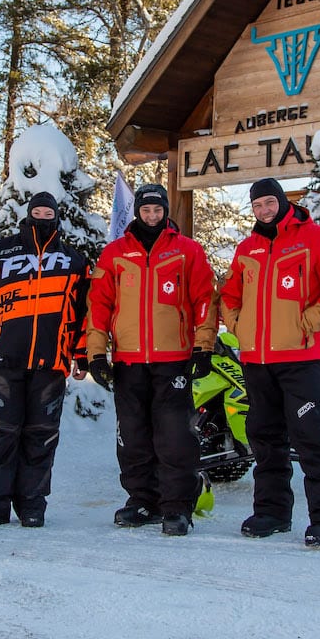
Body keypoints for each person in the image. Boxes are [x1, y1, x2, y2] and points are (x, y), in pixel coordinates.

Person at [218, 177, 320, 547]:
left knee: (312, 437)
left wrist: (312, 320)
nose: (264, 210)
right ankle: (272, 512)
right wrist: (238, 327)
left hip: (301, 358)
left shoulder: (318, 239)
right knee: (264, 440)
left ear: (282, 202)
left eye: (269, 202)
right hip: (257, 361)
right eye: (257, 206)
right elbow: (229, 294)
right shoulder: (247, 248)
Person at [85, 183, 217, 537]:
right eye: (146, 210)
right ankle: (142, 499)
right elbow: (99, 306)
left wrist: (204, 345)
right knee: (133, 435)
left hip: (173, 360)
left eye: (158, 210)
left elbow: (205, 299)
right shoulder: (114, 254)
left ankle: (176, 506)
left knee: (175, 436)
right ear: (138, 211)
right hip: (128, 361)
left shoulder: (186, 250)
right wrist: (96, 352)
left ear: (165, 212)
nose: (152, 215)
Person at [0, 191, 90, 530]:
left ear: (56, 216)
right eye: (38, 211)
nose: (43, 216)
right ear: (28, 213)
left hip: (52, 363)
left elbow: (85, 313)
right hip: (4, 358)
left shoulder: (74, 260)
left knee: (41, 435)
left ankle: (32, 504)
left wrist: (82, 353)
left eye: (49, 212)